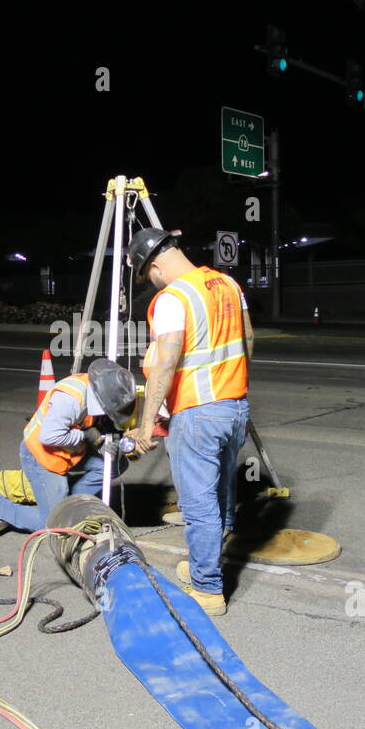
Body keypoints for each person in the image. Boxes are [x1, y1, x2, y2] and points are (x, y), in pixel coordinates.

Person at [124, 228, 252, 616]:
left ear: (156, 266)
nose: (152, 283)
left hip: (198, 413)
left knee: (199, 506)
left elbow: (165, 364)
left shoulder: (173, 298)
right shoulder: (227, 283)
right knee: (223, 492)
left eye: (148, 276)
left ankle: (208, 589)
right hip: (235, 407)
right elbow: (247, 337)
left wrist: (147, 426)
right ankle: (214, 556)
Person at [0, 358, 137, 532]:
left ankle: (70, 504)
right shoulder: (70, 399)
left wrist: (102, 443)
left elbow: (95, 424)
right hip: (42, 456)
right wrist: (86, 436)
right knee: (56, 525)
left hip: (70, 452)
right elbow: (49, 436)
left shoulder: (99, 388)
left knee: (115, 464)